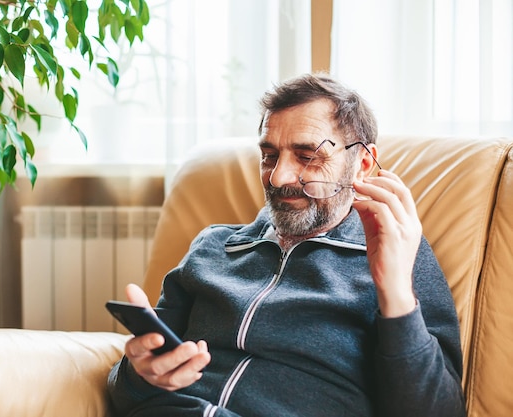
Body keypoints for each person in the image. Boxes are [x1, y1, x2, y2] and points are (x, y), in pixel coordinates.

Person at [107, 73, 466, 416]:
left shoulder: (400, 255)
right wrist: (142, 374)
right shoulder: (214, 246)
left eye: (307, 156)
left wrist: (395, 294)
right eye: (270, 155)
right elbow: (128, 394)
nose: (278, 177)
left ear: (362, 164)